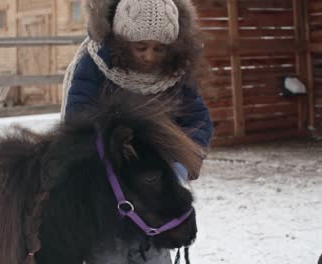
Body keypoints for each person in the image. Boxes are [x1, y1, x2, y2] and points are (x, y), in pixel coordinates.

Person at [61, 0, 214, 262]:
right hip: (105, 173)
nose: (150, 56)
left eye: (159, 48)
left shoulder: (176, 71)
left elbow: (198, 120)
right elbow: (79, 117)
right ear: (121, 40)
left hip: (155, 175)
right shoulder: (95, 64)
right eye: (140, 47)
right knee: (108, 246)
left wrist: (181, 163)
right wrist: (113, 146)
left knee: (155, 241)